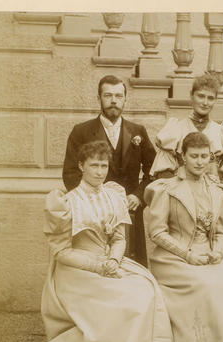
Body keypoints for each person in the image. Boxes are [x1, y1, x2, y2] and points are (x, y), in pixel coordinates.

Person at [15, 141, 181, 342]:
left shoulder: (113, 196)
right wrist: (98, 266)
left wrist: (113, 259)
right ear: (81, 166)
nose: (99, 171)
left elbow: (119, 237)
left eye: (104, 165)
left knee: (144, 289)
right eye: (94, 165)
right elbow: (61, 252)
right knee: (122, 297)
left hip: (109, 262)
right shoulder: (66, 203)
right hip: (76, 270)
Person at [145, 132, 223, 342]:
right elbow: (157, 232)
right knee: (205, 285)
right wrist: (187, 254)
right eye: (193, 156)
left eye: (204, 156)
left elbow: (221, 232)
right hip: (174, 257)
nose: (199, 162)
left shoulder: (216, 190)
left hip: (209, 255)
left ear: (210, 158)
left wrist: (218, 250)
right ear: (182, 157)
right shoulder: (167, 188)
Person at [62, 75, 155, 266]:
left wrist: (138, 196)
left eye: (119, 96)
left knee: (131, 265)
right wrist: (92, 202)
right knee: (98, 268)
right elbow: (70, 173)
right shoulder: (81, 131)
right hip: (93, 216)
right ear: (99, 98)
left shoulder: (138, 131)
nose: (114, 101)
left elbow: (154, 171)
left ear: (125, 99)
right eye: (108, 95)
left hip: (130, 211)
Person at [151, 74, 223, 258]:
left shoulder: (222, 132)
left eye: (210, 98)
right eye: (201, 96)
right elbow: (164, 175)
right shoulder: (176, 129)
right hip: (183, 201)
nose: (205, 102)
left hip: (212, 200)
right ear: (192, 96)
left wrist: (221, 196)